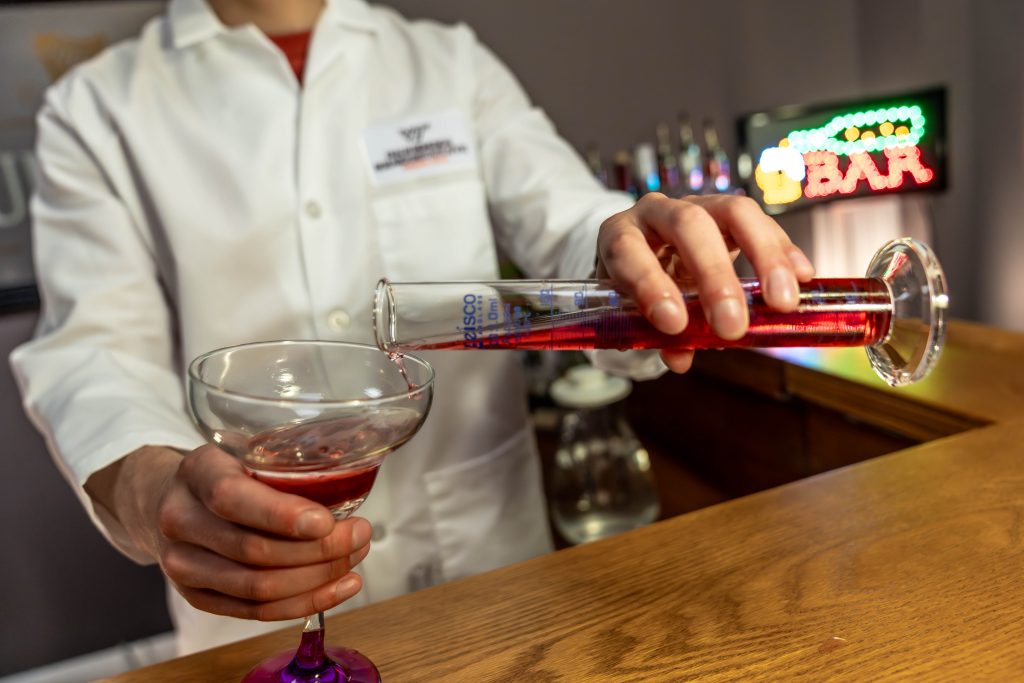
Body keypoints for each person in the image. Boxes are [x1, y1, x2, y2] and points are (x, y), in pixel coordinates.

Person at [9, 0, 814, 656]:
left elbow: (568, 218)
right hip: (252, 620)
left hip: (490, 588)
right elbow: (94, 350)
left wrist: (631, 256)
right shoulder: (98, 107)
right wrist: (154, 492)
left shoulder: (448, 62)